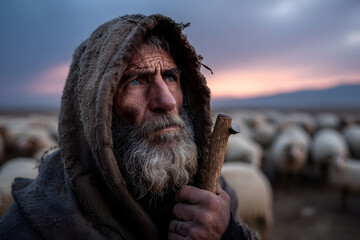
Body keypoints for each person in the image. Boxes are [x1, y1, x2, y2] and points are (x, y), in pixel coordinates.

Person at [0, 14, 259, 240]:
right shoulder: (34, 226)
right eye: (135, 81)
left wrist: (226, 234)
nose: (167, 101)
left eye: (170, 77)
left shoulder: (213, 194)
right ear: (95, 108)